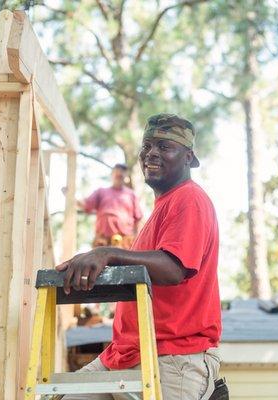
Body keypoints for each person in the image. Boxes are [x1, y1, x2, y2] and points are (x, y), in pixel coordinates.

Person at [57, 113, 223, 400]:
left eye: (164, 146)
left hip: (171, 360)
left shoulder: (189, 199)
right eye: (147, 146)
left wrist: (107, 253)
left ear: (188, 157)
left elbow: (172, 268)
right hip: (124, 354)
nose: (151, 154)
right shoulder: (161, 209)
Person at [79, 164, 142, 249]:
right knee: (99, 261)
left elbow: (138, 219)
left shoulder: (131, 194)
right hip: (103, 240)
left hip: (124, 241)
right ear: (112, 175)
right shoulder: (101, 192)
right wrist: (70, 196)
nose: (119, 176)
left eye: (121, 175)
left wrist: (136, 240)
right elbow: (86, 205)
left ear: (125, 177)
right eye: (117, 174)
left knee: (124, 262)